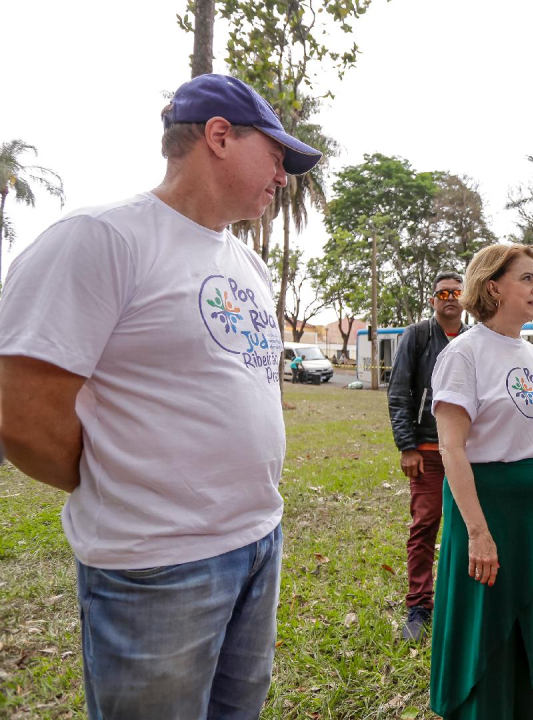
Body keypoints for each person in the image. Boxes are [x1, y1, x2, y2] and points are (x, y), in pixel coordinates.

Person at [0, 73, 321, 718]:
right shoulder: (103, 237)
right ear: (219, 136)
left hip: (258, 542)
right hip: (158, 566)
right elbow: (20, 407)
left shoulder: (246, 263)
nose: (283, 175)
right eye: (277, 154)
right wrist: (117, 482)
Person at [428, 243, 533, 720]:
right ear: (493, 287)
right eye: (526, 278)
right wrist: (478, 531)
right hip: (493, 509)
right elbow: (451, 447)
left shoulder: (530, 350)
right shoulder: (463, 354)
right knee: (489, 620)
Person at [387, 271, 469, 640]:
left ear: (465, 298)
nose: (449, 297)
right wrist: (407, 446)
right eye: (442, 293)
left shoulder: (474, 338)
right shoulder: (417, 335)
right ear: (433, 299)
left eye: (456, 292)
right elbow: (399, 392)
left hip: (469, 452)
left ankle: (463, 601)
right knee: (424, 526)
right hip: (428, 450)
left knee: (469, 526)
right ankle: (419, 605)